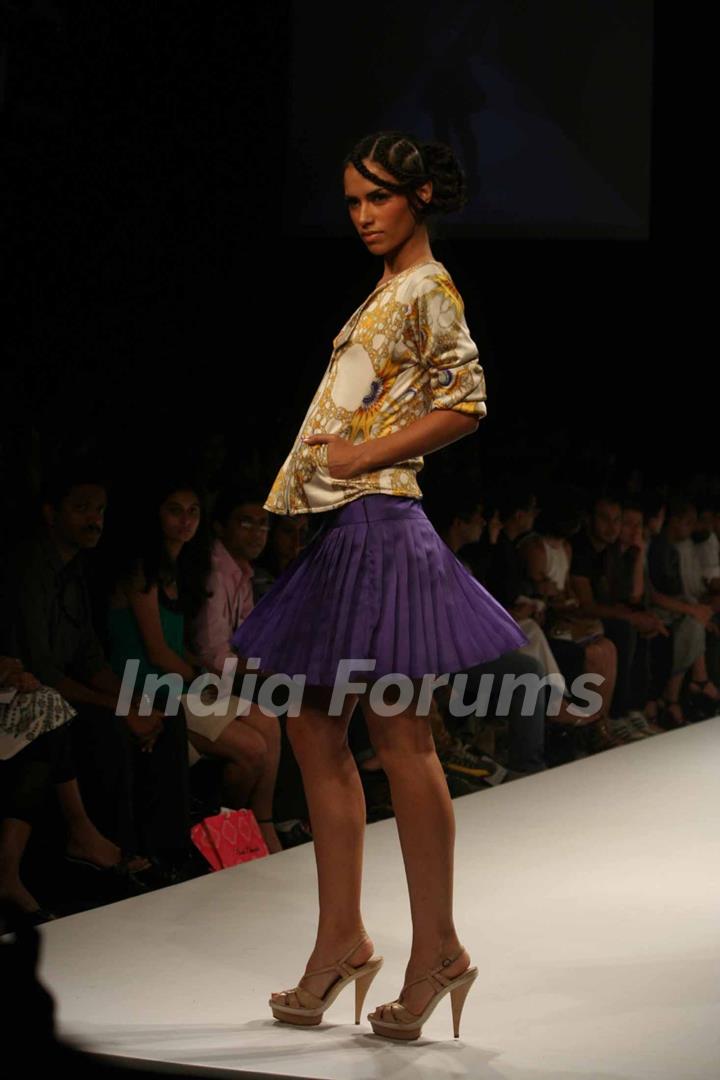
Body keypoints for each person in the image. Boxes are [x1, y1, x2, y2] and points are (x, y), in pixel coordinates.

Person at [232, 131, 527, 1040]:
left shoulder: (427, 288)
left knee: (400, 736)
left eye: (379, 198)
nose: (362, 215)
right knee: (315, 726)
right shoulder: (389, 293)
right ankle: (342, 943)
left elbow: (466, 401)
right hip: (347, 529)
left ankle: (435, 948)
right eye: (353, 200)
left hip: (381, 524)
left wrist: (362, 453)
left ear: (423, 197)